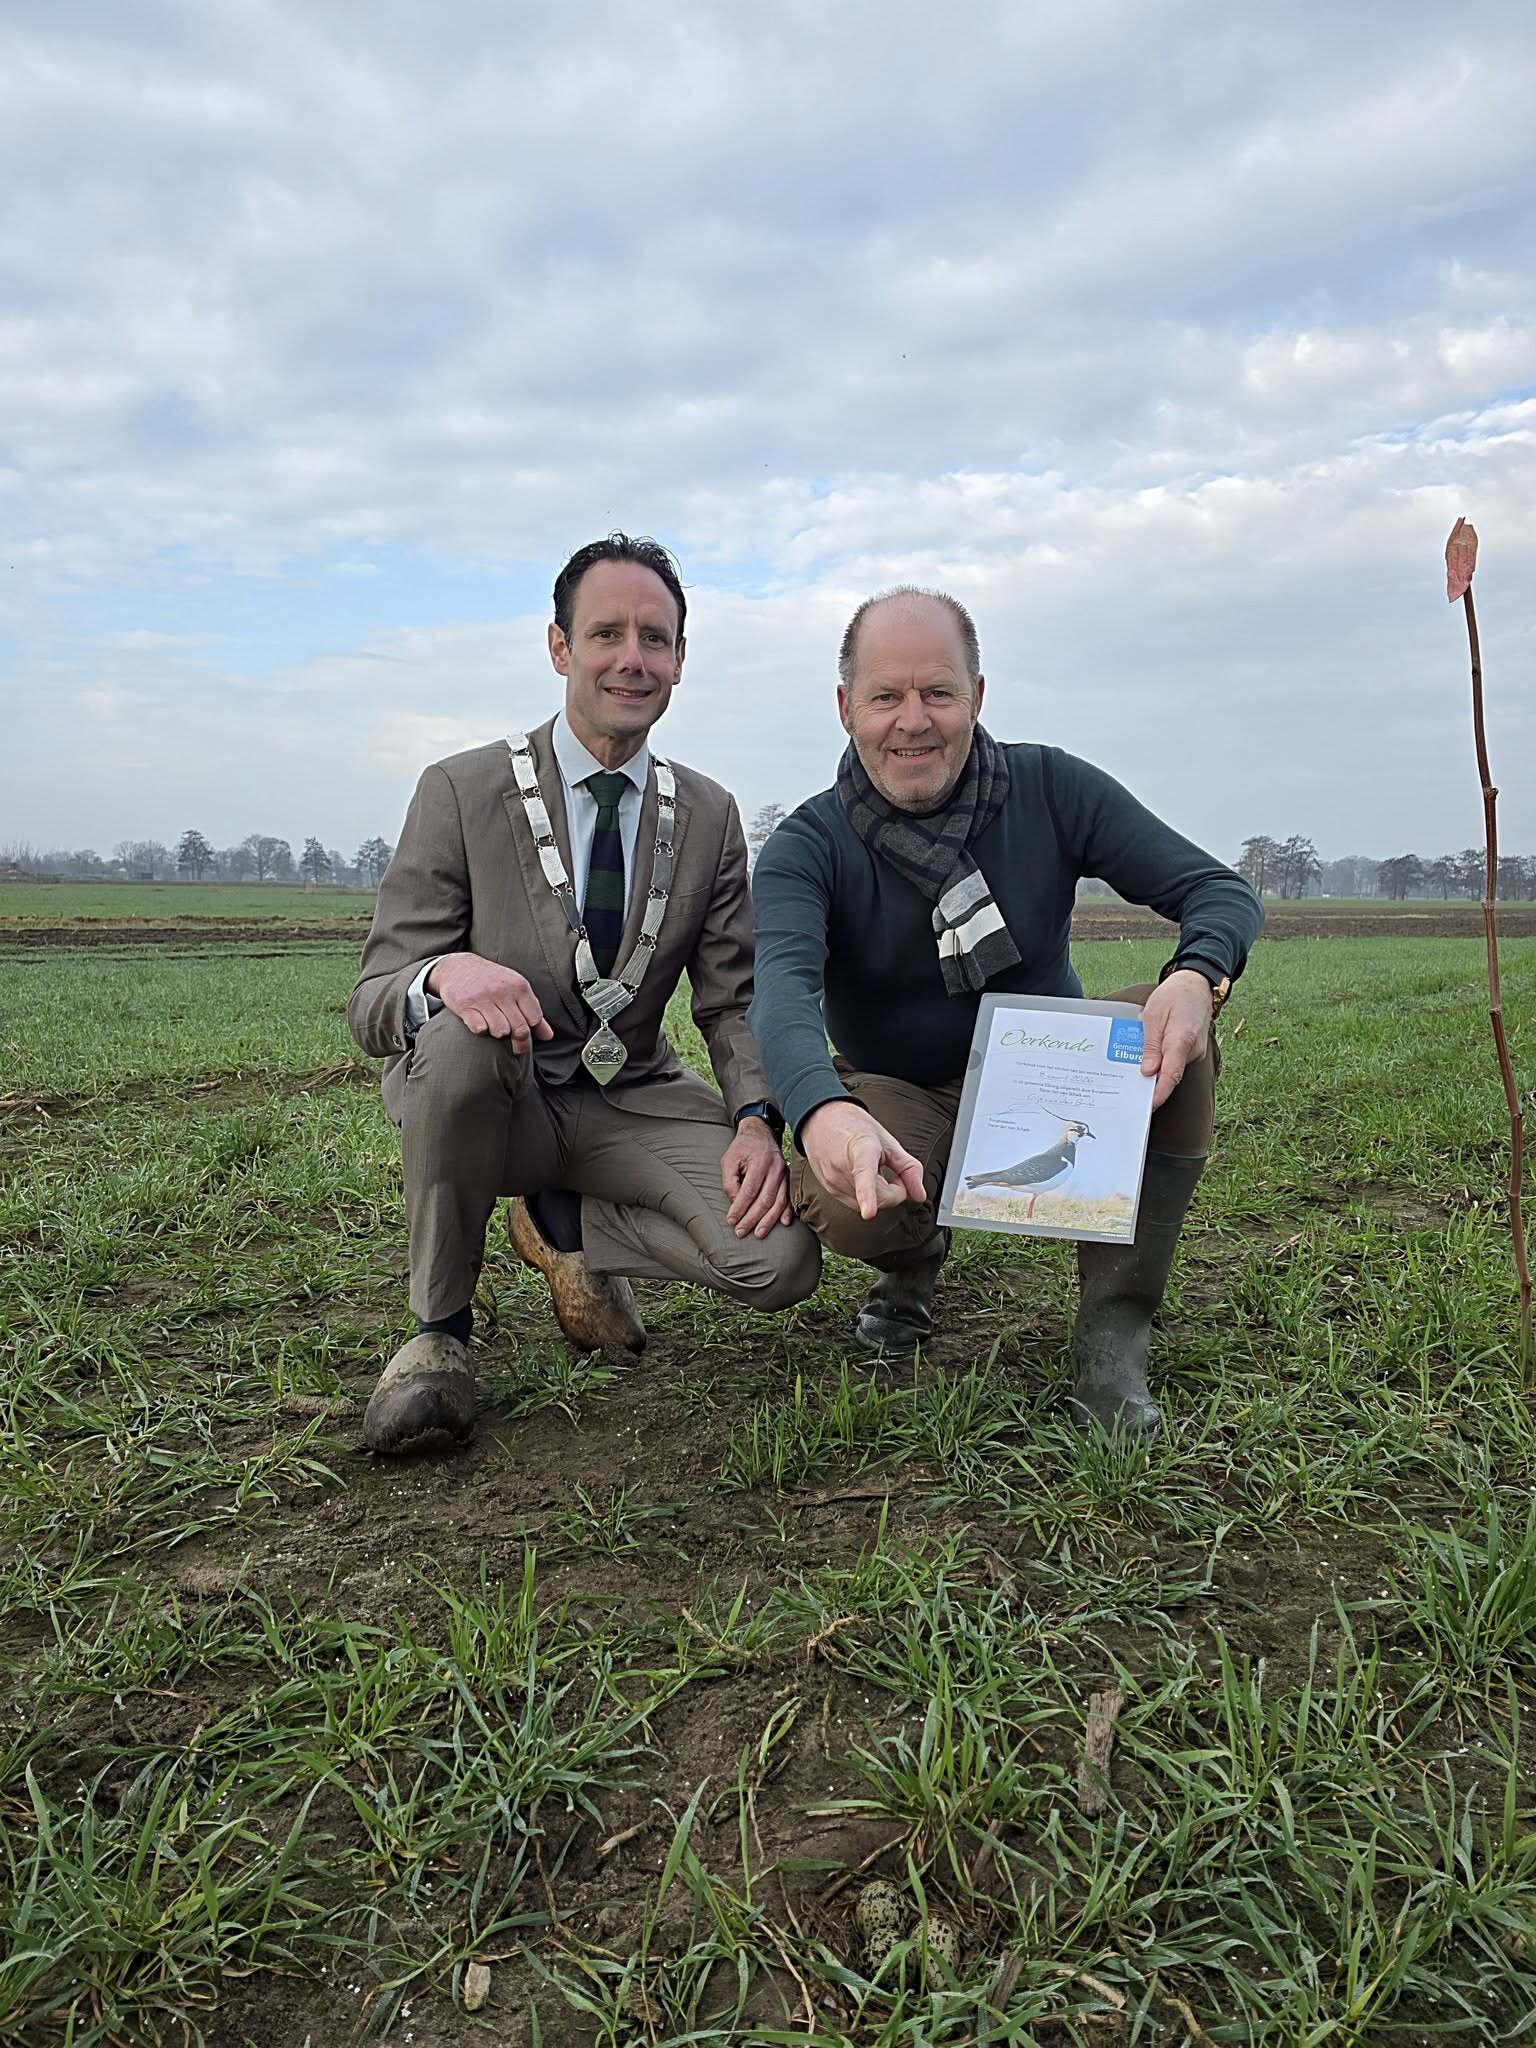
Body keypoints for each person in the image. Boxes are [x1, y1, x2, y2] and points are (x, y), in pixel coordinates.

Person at [748, 587, 1263, 1439]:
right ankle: (911, 1259)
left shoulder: (1051, 789)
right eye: (885, 696)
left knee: (1169, 1033)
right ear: (845, 709)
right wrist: (821, 1111)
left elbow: (1217, 889)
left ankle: (1113, 1333)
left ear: (978, 697)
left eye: (938, 692)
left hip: (1047, 1076)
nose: (913, 720)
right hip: (901, 1092)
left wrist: (1196, 975)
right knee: (847, 1202)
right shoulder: (808, 846)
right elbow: (781, 993)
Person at [349, 534, 819, 1455]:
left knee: (781, 1258)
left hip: (629, 1096)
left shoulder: (711, 815)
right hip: (501, 1100)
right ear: (560, 647)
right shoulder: (460, 791)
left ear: (680, 660)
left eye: (655, 638)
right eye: (606, 634)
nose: (631, 659)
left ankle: (564, 1224)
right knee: (464, 1040)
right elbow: (372, 1003)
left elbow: (731, 1001)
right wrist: (443, 974)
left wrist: (757, 1118)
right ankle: (438, 1336)